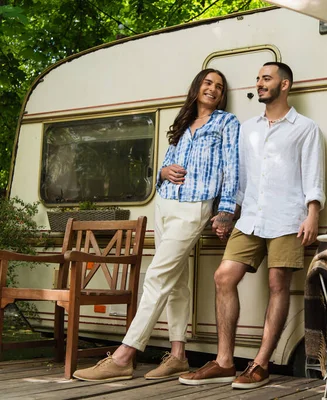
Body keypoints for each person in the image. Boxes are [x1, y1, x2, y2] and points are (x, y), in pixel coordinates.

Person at [73, 68, 240, 381]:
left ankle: (124, 355)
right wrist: (163, 173)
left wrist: (226, 210)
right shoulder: (183, 124)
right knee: (176, 281)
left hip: (195, 205)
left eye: (219, 86)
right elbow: (163, 165)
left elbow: (232, 168)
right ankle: (178, 355)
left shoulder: (226, 122)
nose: (213, 89)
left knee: (158, 275)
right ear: (196, 88)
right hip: (165, 203)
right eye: (207, 83)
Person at [178, 62, 325, 389]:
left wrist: (313, 213)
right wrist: (228, 213)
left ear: (284, 85)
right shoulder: (247, 129)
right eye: (258, 78)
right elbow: (239, 178)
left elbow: (313, 177)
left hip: (288, 218)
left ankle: (260, 364)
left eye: (266, 79)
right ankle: (224, 361)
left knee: (277, 284)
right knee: (223, 276)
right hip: (250, 218)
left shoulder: (305, 128)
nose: (259, 83)